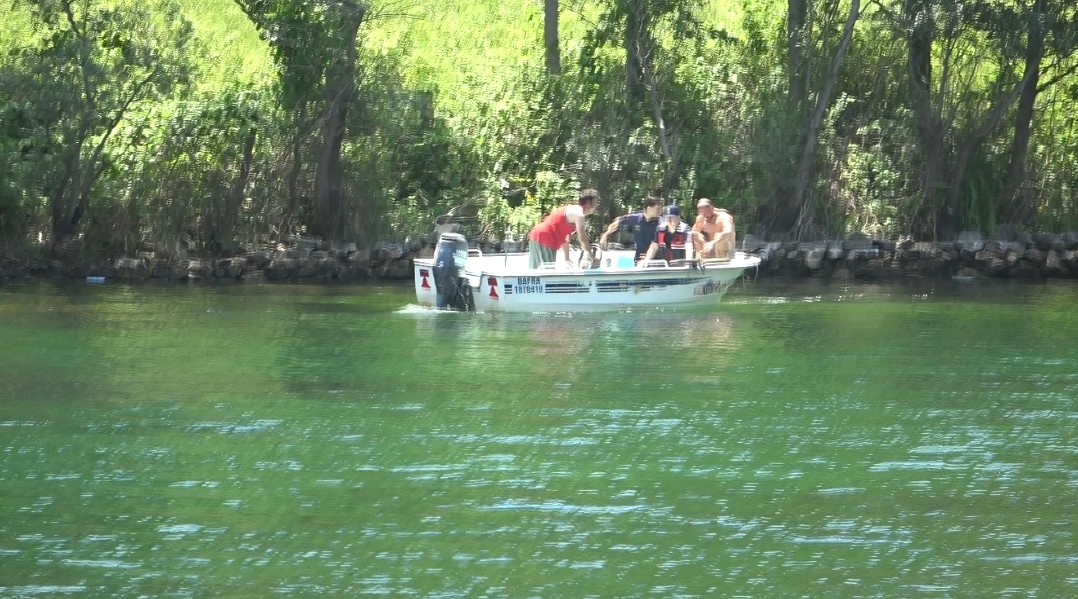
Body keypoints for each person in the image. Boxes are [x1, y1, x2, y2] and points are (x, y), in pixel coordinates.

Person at [528, 188, 601, 268]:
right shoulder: (579, 213)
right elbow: (582, 238)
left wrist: (567, 258)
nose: (597, 205)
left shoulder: (573, 211)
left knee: (536, 270)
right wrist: (591, 256)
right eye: (596, 201)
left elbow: (565, 237)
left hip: (539, 235)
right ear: (588, 203)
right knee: (546, 271)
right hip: (544, 237)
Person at [597, 195, 663, 263]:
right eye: (658, 209)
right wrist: (605, 235)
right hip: (636, 259)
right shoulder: (636, 218)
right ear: (649, 209)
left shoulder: (660, 222)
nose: (660, 211)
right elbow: (617, 222)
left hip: (654, 260)